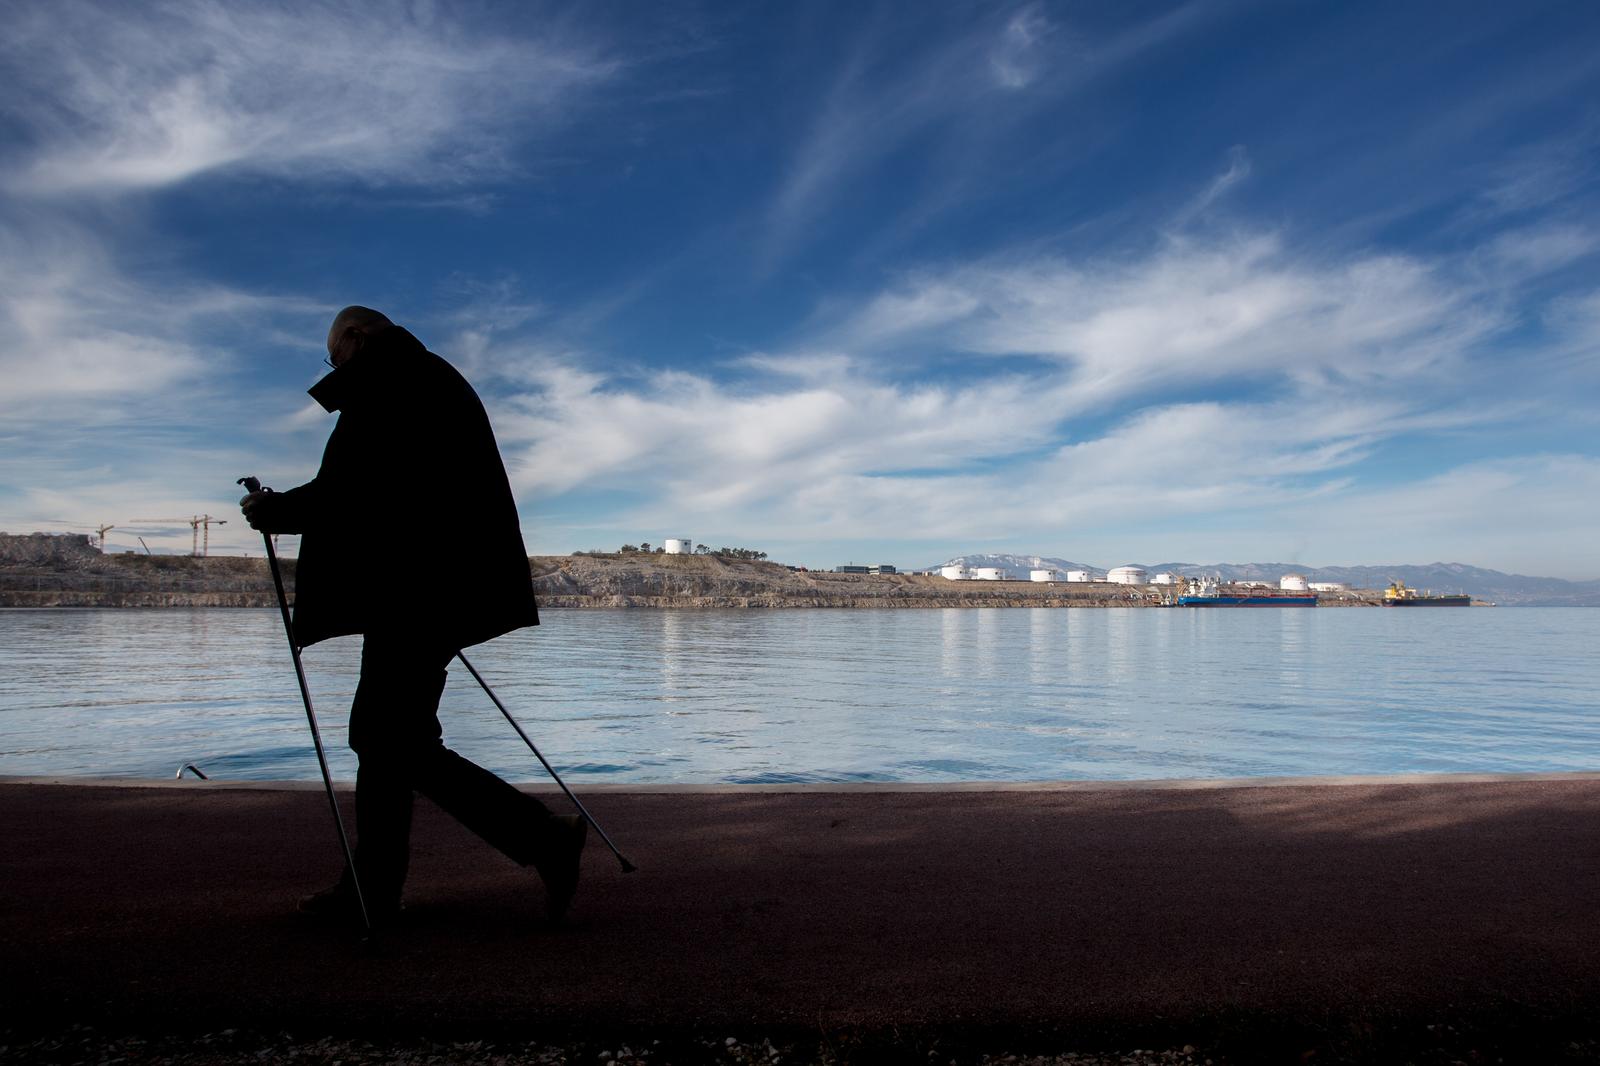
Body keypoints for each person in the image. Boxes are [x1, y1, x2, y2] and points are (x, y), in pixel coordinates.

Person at [239, 305, 586, 927]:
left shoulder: (394, 378)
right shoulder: (421, 376)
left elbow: (365, 485)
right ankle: (372, 891)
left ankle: (540, 840)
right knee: (392, 738)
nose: (335, 367)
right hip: (432, 586)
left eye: (333, 355)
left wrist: (279, 510)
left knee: (382, 737)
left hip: (422, 590)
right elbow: (385, 485)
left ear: (353, 339)